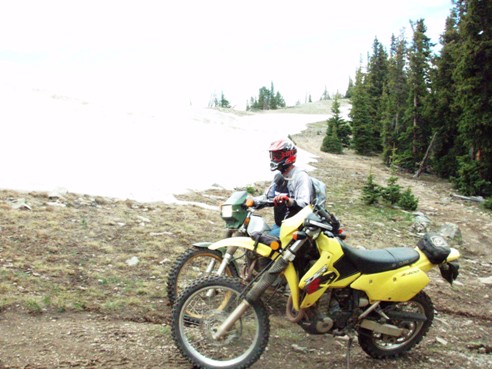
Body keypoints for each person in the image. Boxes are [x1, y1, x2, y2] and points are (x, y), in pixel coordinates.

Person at [257, 138, 314, 237]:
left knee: (262, 243)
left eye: (277, 156)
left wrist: (289, 201)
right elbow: (268, 197)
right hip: (280, 224)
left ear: (289, 156)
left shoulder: (300, 176)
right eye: (272, 156)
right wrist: (250, 201)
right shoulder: (279, 176)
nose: (274, 159)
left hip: (295, 226)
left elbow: (305, 203)